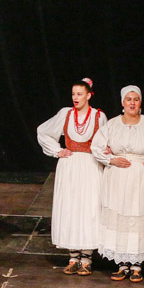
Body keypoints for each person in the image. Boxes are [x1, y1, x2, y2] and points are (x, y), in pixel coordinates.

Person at [91, 85, 144, 283]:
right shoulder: (113, 124)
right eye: (128, 99)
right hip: (118, 178)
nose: (132, 103)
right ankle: (122, 263)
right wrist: (111, 159)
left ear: (140, 102)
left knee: (138, 214)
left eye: (136, 99)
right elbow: (96, 146)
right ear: (122, 103)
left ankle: (137, 264)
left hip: (142, 179)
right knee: (121, 215)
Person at [37, 78, 108, 276]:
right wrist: (57, 150)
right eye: (73, 94)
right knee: (70, 207)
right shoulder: (66, 113)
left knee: (89, 208)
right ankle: (73, 257)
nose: (75, 98)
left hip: (90, 165)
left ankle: (86, 258)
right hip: (69, 166)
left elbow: (105, 140)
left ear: (88, 95)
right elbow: (43, 131)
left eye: (79, 94)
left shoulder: (98, 116)